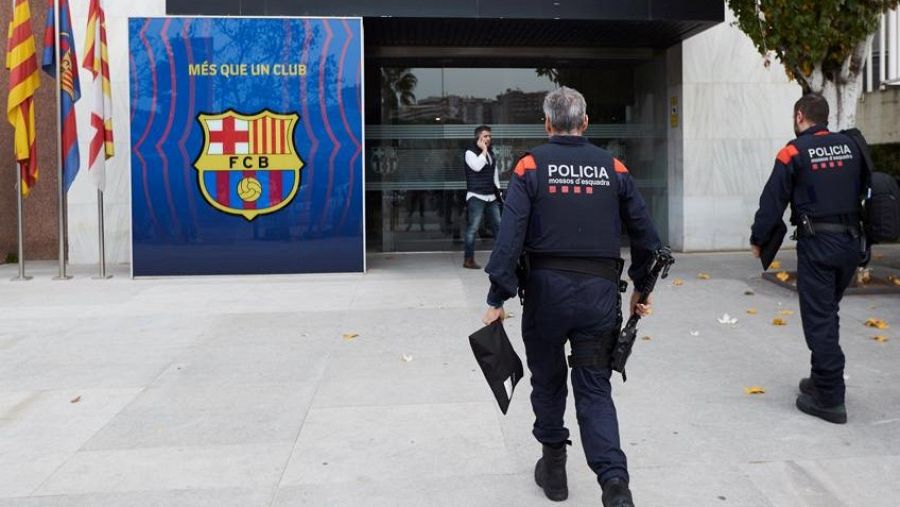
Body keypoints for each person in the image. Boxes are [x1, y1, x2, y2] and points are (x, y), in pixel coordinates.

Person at [481, 87, 660, 506]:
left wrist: (496, 298)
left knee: (548, 382)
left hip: (545, 297)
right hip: (600, 297)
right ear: (585, 123)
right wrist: (641, 289)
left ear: (546, 124)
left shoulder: (529, 166)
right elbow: (648, 239)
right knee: (594, 388)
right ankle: (615, 485)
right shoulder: (614, 168)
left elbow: (509, 240)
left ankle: (555, 468)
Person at [751, 93, 864, 425]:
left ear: (800, 116)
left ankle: (830, 398)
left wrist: (759, 240)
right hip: (851, 245)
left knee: (819, 319)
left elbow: (772, 201)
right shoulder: (852, 146)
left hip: (819, 245)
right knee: (827, 312)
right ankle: (820, 378)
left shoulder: (793, 152)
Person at [463, 125, 502, 269]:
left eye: (489, 136)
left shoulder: (491, 153)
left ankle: (501, 259)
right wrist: (484, 150)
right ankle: (468, 260)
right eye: (485, 136)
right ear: (478, 138)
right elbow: (477, 167)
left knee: (499, 228)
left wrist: (499, 193)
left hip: (491, 196)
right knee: (472, 229)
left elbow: (494, 175)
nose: (488, 139)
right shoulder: (470, 153)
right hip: (476, 196)